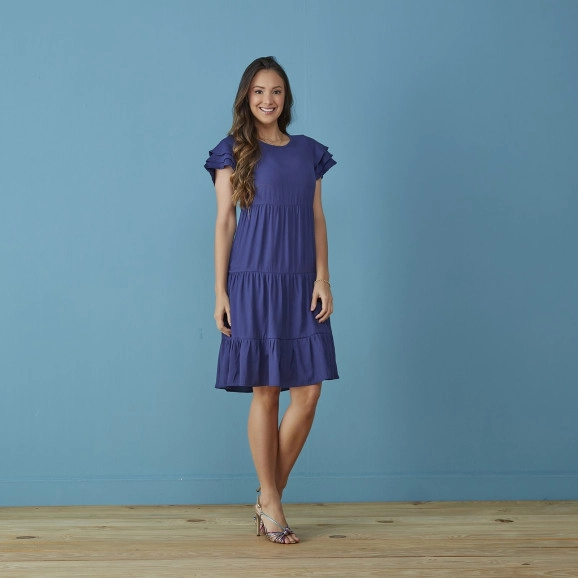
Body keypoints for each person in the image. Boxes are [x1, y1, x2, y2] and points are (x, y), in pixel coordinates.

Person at [204, 56, 339, 545]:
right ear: (247, 96)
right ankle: (273, 503)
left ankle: (267, 496)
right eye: (259, 91)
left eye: (276, 91)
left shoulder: (308, 152)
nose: (268, 99)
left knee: (308, 393)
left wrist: (323, 278)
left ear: (287, 98)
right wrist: (220, 291)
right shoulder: (232, 150)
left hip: (300, 282)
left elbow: (317, 217)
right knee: (266, 392)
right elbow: (225, 222)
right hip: (253, 281)